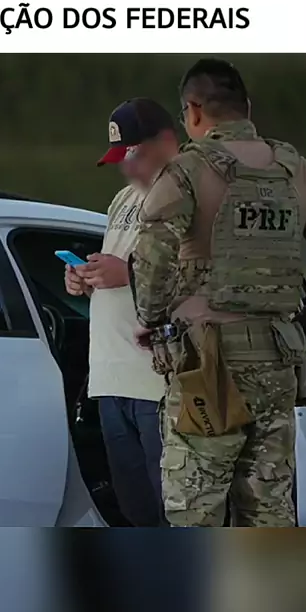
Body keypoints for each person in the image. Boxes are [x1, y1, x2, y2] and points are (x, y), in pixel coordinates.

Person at [130, 57, 306, 527]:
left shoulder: (186, 171)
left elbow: (152, 258)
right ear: (248, 108)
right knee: (268, 506)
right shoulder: (302, 173)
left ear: (193, 110)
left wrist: (151, 319)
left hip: (208, 368)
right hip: (279, 364)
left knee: (195, 508)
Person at [64, 98, 180, 527]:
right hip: (110, 377)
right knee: (134, 508)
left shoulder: (187, 193)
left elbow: (202, 274)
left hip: (158, 380)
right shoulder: (124, 199)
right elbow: (117, 264)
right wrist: (84, 277)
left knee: (173, 506)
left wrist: (126, 273)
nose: (128, 167)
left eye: (134, 155)